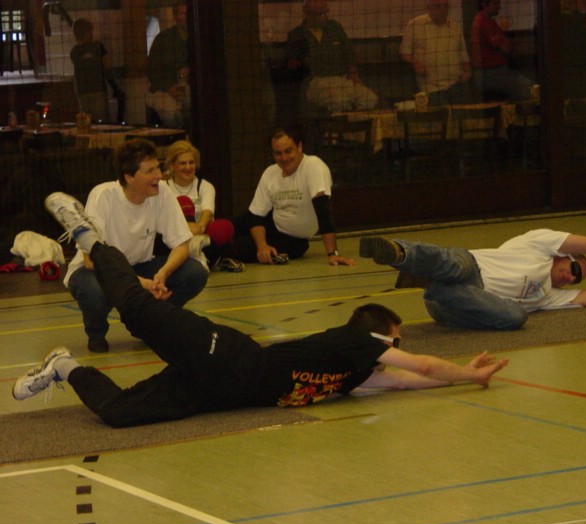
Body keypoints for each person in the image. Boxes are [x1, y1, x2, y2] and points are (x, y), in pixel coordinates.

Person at [12, 193, 509, 427]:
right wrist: (465, 372)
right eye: (395, 340)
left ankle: (64, 367)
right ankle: (85, 234)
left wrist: (467, 380)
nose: (398, 350)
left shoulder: (354, 374)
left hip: (218, 392)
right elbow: (418, 363)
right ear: (380, 335)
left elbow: (405, 380)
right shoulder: (357, 342)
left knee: (120, 414)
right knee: (137, 310)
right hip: (222, 356)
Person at [359, 230, 586, 331]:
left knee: (517, 317)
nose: (570, 277)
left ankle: (428, 283)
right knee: (454, 262)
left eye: (576, 280)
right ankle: (399, 254)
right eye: (574, 267)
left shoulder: (549, 297)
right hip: (470, 268)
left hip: (453, 308)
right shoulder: (536, 244)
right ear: (564, 255)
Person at [62, 140, 208, 353]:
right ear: (129, 177)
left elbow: (182, 245)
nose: (159, 175)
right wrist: (142, 284)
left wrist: (162, 275)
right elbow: (91, 260)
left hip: (140, 267)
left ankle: (149, 325)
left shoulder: (162, 192)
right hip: (97, 271)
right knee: (94, 291)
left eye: (158, 167)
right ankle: (96, 333)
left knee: (194, 272)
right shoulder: (102, 196)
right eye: (150, 171)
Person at [231, 126, 355, 266]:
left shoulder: (313, 166)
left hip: (293, 240)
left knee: (236, 247)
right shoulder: (270, 173)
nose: (283, 158)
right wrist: (262, 246)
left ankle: (217, 254)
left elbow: (323, 211)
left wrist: (333, 254)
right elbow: (255, 216)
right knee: (224, 229)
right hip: (270, 224)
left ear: (300, 147)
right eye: (278, 153)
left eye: (288, 151)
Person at [286, 0, 378, 114]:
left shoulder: (335, 28)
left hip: (342, 79)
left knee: (369, 98)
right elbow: (292, 63)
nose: (324, 17)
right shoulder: (297, 34)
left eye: (325, 13)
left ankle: (357, 129)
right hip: (316, 82)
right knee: (339, 101)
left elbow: (349, 52)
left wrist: (353, 73)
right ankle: (337, 130)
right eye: (320, 14)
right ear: (308, 14)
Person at [164, 140, 242, 272]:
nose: (188, 167)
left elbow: (208, 212)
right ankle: (206, 259)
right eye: (182, 163)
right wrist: (186, 228)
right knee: (182, 203)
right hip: (176, 239)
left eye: (191, 162)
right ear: (172, 166)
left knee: (224, 228)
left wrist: (199, 227)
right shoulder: (164, 188)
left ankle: (200, 258)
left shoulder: (205, 186)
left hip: (201, 237)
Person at [400, 0, 474, 106]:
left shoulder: (455, 27)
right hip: (432, 88)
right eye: (438, 6)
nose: (443, 10)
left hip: (458, 84)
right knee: (439, 119)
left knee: (463, 119)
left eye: (445, 6)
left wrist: (467, 72)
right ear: (429, 7)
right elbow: (404, 52)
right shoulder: (415, 24)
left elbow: (463, 52)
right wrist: (416, 63)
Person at [470, 0, 533, 101]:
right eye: (495, 3)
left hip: (493, 72)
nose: (499, 7)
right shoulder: (484, 22)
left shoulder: (486, 20)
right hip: (490, 73)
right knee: (529, 89)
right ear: (484, 5)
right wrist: (508, 45)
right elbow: (506, 49)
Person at [69, 18, 124, 122]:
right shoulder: (98, 47)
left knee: (86, 123)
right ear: (88, 31)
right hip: (99, 90)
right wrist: (115, 87)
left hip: (82, 92)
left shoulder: (74, 52)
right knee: (102, 122)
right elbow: (107, 65)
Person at [146, 2, 190, 127]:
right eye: (182, 14)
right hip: (161, 89)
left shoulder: (197, 38)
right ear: (175, 16)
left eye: (187, 14)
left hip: (187, 88)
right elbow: (152, 72)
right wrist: (169, 87)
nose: (185, 17)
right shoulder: (162, 39)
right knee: (171, 113)